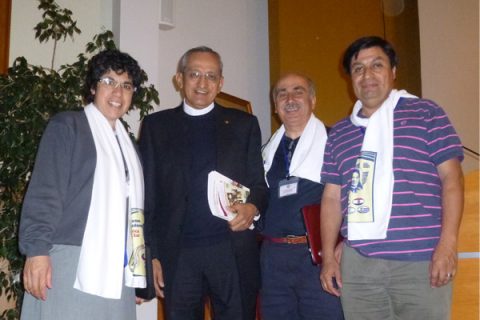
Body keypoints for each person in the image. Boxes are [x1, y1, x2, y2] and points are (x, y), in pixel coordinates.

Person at [320, 36, 464, 320]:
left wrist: (447, 245)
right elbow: (332, 197)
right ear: (350, 78)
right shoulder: (339, 133)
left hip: (420, 260)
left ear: (393, 71)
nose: (367, 75)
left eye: (377, 65)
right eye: (358, 68)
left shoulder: (426, 113)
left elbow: (452, 180)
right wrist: (328, 258)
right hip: (359, 266)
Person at [139, 46, 268, 320]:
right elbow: (146, 196)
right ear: (179, 79)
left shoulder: (243, 124)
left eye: (211, 76)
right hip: (179, 254)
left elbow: (259, 184)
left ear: (221, 82)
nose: (202, 83)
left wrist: (253, 207)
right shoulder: (156, 126)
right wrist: (151, 255)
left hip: (230, 252)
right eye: (194, 74)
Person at [19, 49, 147, 319]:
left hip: (118, 267)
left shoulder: (128, 145)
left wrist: (135, 271)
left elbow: (134, 215)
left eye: (126, 85)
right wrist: (37, 251)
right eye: (108, 81)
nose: (117, 92)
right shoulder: (68, 126)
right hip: (71, 261)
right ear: (92, 87)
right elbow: (45, 192)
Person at [259, 73, 344, 320]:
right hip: (273, 259)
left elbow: (355, 196)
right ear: (275, 106)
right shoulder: (265, 151)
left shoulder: (335, 142)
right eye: (282, 93)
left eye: (298, 91)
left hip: (318, 257)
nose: (290, 98)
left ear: (313, 100)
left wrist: (346, 242)